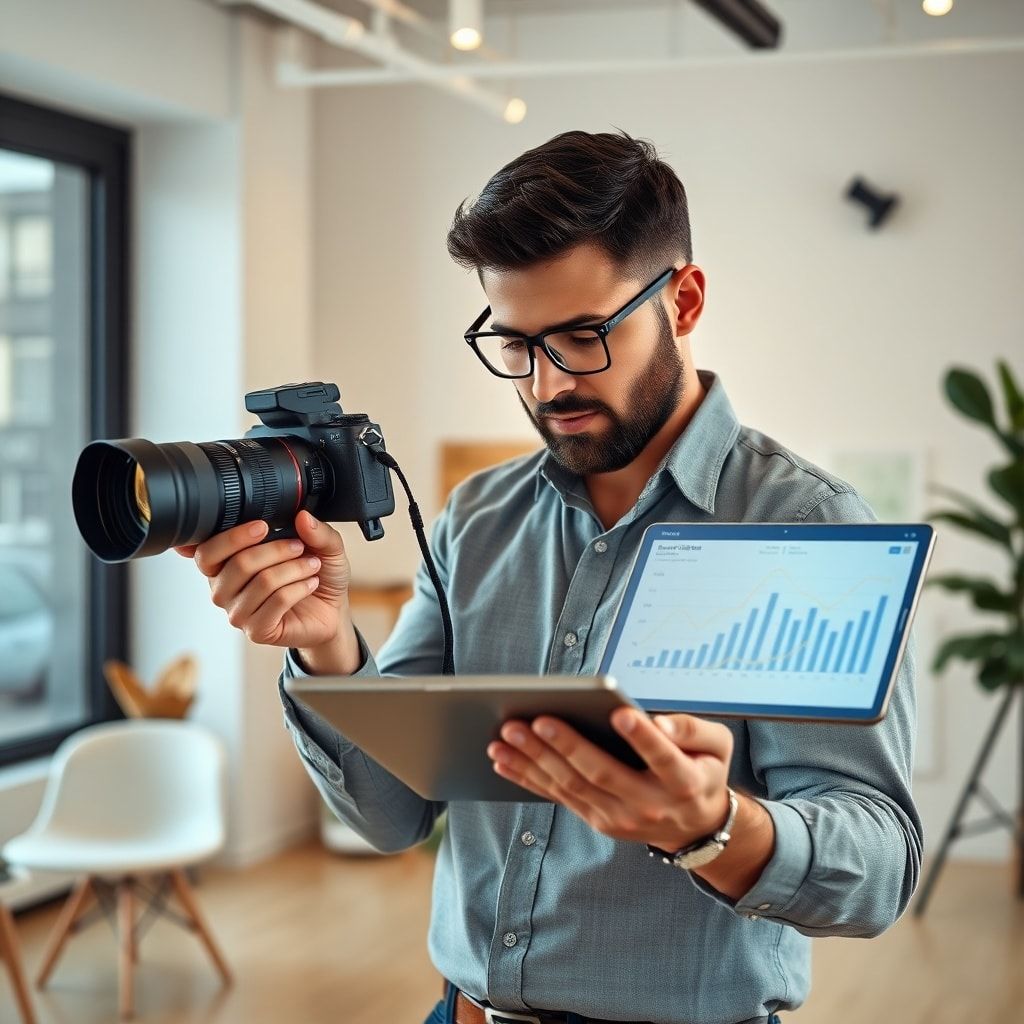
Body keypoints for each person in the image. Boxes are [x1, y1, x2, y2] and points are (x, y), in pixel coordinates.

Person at [178, 130, 922, 1024]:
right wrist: (328, 648)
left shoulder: (805, 526)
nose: (546, 383)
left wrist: (710, 826)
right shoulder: (477, 518)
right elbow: (391, 816)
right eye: (516, 344)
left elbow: (878, 867)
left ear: (682, 301)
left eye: (582, 336)